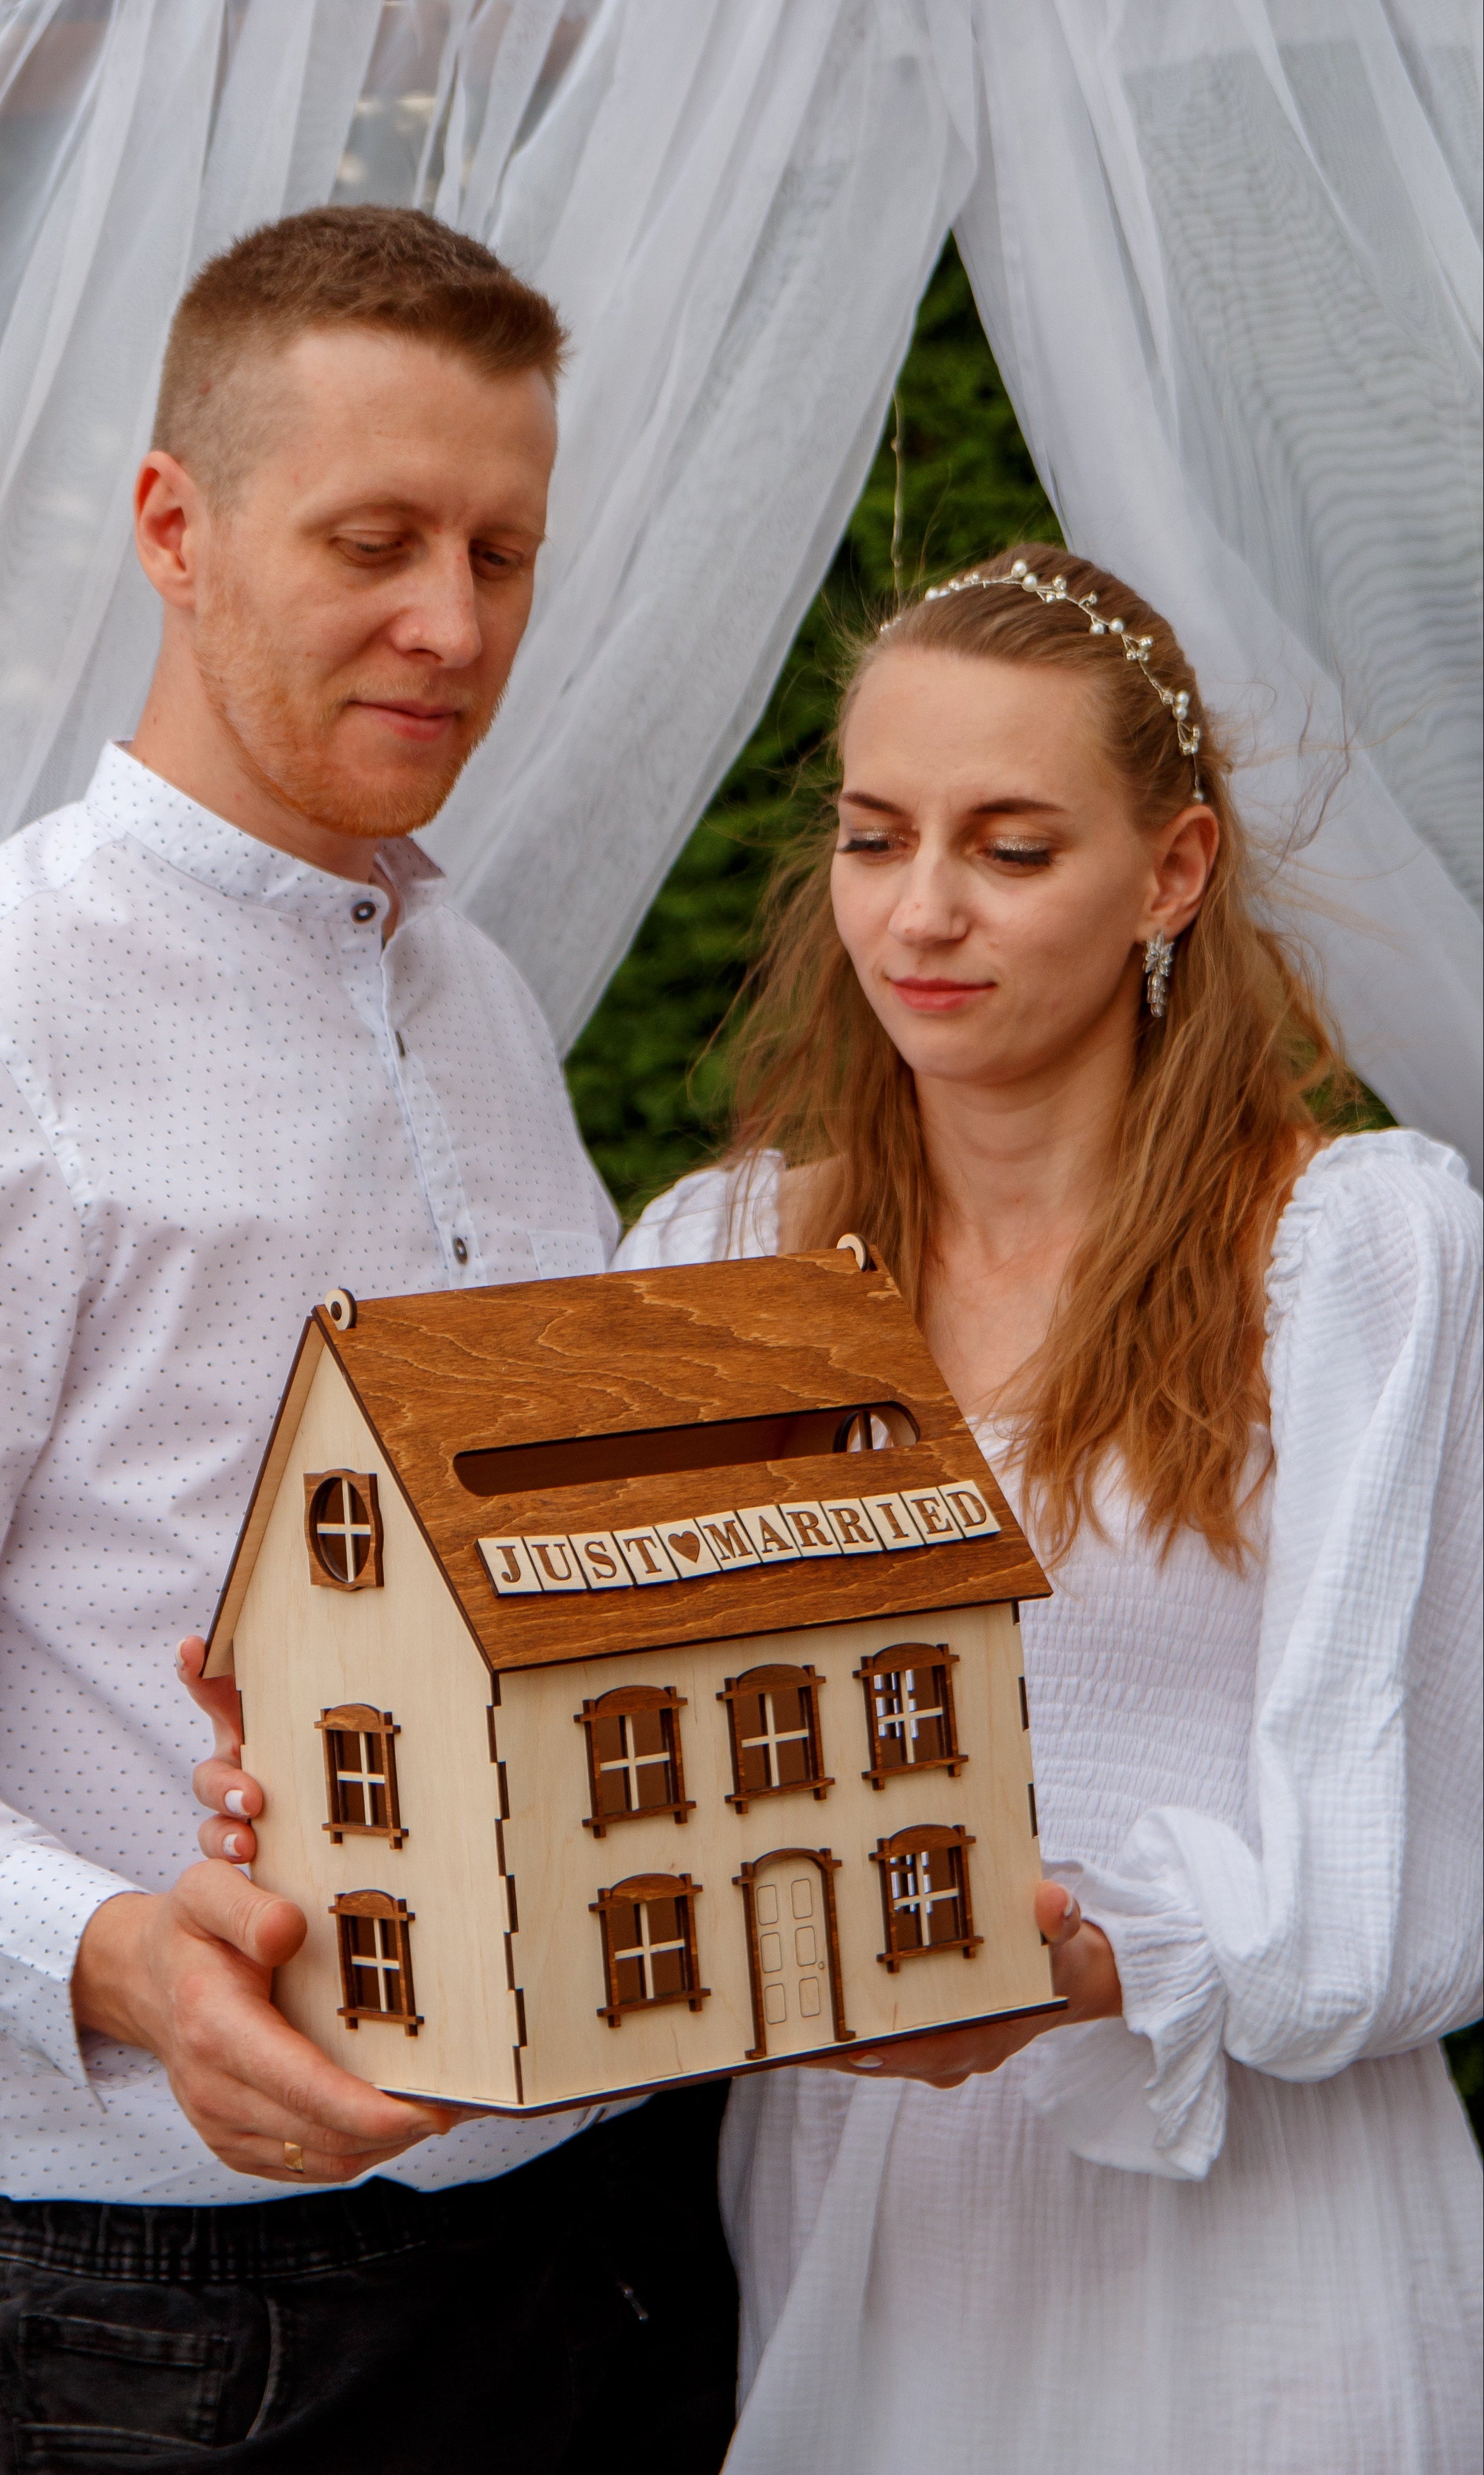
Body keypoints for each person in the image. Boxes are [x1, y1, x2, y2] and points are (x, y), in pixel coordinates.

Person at [0, 206, 734, 2474]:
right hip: (195, 2310)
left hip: (614, 2223)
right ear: (172, 528)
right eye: (373, 540)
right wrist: (119, 1956)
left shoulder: (474, 995)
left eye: (501, 553)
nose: (452, 623)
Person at [609, 549, 1483, 2470]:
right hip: (866, 2218)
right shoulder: (719, 1260)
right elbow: (625, 1761)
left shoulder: (1348, 1253)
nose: (919, 910)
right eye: (872, 837)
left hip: (1247, 2243)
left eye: (1009, 848)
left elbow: (1396, 1882)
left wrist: (1083, 1962)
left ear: (1171, 872)